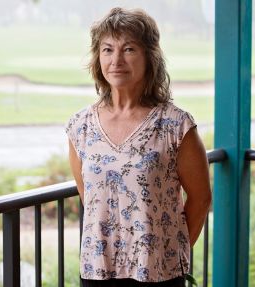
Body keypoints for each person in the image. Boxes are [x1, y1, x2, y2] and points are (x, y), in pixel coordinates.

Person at [65, 7, 212, 287]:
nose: (116, 60)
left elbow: (201, 198)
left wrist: (169, 251)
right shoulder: (80, 127)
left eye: (129, 49)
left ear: (149, 57)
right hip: (98, 271)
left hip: (158, 272)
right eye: (107, 49)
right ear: (98, 58)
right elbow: (89, 197)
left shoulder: (176, 126)